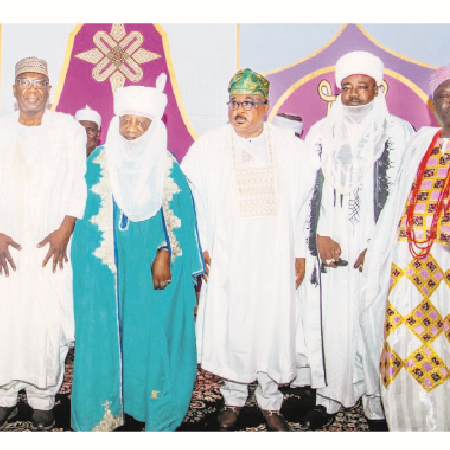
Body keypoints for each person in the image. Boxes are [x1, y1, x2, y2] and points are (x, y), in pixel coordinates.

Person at [181, 68, 315, 432]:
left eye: (249, 103)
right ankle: (234, 399)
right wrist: (203, 245)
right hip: (227, 254)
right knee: (233, 325)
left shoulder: (290, 149)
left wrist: (300, 251)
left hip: (275, 255)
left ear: (265, 106)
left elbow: (305, 205)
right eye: (235, 103)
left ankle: (271, 403)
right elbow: (190, 201)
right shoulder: (208, 147)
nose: (240, 110)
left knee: (272, 324)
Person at [0, 56, 86, 431]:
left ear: (49, 91)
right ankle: (2, 393)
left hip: (51, 245)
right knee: (2, 316)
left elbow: (76, 182)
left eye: (38, 83)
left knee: (46, 318)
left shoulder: (68, 130)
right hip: (3, 246)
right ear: (14, 91)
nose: (31, 89)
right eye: (24, 83)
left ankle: (43, 396)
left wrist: (65, 230)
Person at [71, 74, 203, 432]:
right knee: (110, 331)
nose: (131, 128)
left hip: (149, 265)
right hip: (109, 268)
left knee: (147, 332)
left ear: (152, 126)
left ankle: (148, 404)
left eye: (139, 122)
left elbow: (180, 216)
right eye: (126, 120)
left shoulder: (166, 164)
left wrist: (165, 250)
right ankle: (107, 408)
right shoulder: (98, 162)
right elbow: (80, 216)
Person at [298, 51, 414, 431]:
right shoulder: (319, 133)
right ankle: (328, 398)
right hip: (331, 245)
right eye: (346, 86)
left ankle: (376, 403)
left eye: (361, 86)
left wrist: (377, 246)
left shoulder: (398, 133)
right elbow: (303, 193)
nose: (352, 94)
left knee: (374, 323)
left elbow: (403, 196)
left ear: (377, 90)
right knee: (331, 321)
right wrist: (317, 235)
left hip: (375, 246)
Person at [360, 64, 450, 431]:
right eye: (442, 95)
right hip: (408, 261)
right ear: (432, 103)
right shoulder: (421, 140)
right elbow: (398, 201)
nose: (449, 102)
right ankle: (410, 422)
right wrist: (378, 247)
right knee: (404, 341)